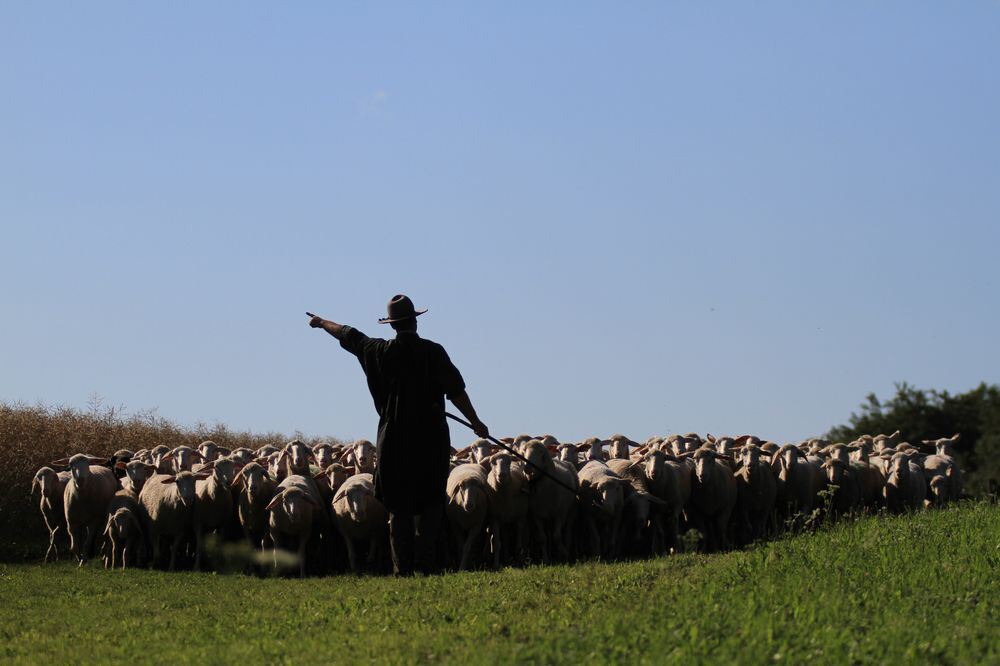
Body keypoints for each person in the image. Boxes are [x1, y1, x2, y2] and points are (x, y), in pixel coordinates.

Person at [307, 294, 488, 575]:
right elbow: (456, 392)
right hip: (430, 439)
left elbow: (348, 334)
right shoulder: (433, 352)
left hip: (394, 440)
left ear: (391, 325)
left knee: (399, 506)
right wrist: (476, 422)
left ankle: (403, 569)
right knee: (431, 503)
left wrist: (321, 323)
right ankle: (427, 566)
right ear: (415, 321)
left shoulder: (377, 351)